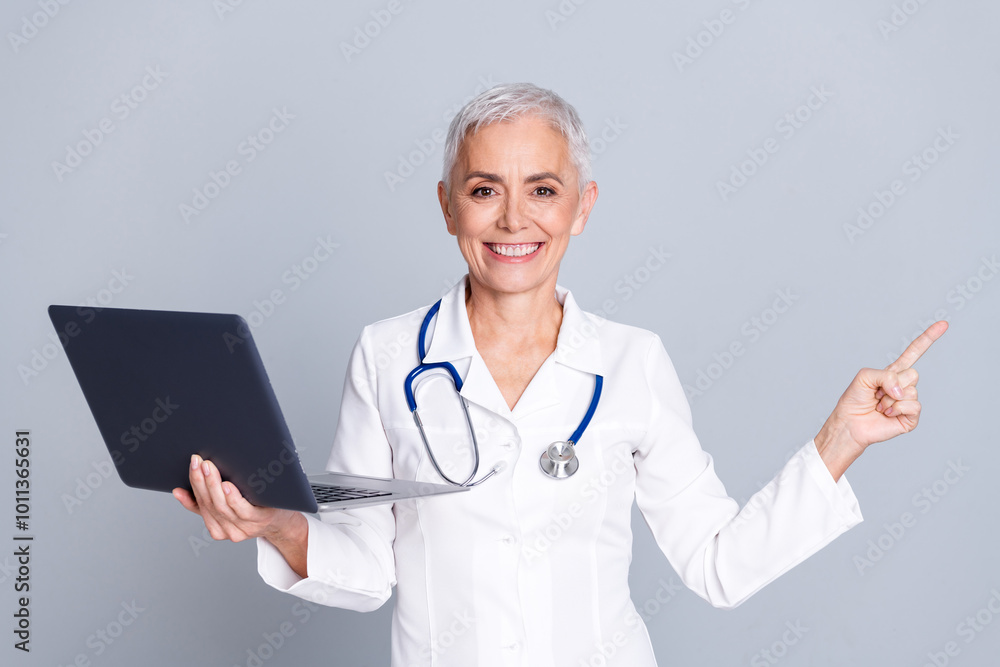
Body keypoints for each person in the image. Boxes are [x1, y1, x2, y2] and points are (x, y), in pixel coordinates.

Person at [173, 83, 947, 666]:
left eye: (543, 190)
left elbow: (718, 563)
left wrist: (841, 438)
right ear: (448, 206)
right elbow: (368, 569)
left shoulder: (633, 361)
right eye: (484, 190)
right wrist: (273, 523)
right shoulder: (386, 355)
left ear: (582, 206)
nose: (515, 219)